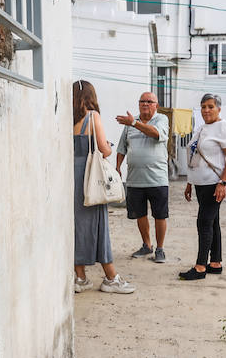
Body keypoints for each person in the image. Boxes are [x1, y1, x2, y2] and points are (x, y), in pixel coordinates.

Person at [72, 79, 135, 294]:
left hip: (70, 176)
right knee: (98, 227)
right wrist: (107, 146)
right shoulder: (92, 117)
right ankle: (110, 278)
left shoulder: (64, 117)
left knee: (76, 226)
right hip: (91, 177)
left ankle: (80, 277)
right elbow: (103, 149)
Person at [180, 93, 226, 281]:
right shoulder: (201, 128)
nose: (206, 110)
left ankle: (200, 266)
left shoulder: (223, 127)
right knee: (212, 222)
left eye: (210, 106)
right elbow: (194, 156)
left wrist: (223, 182)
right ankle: (215, 263)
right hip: (200, 183)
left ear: (219, 108)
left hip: (214, 183)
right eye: (203, 106)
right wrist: (189, 182)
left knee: (203, 222)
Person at [115, 93, 170, 264]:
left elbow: (155, 134)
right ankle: (147, 245)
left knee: (160, 215)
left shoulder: (161, 120)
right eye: (142, 101)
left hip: (157, 178)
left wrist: (133, 123)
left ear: (156, 105)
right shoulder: (131, 123)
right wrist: (117, 167)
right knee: (140, 215)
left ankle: (160, 249)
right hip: (134, 178)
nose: (145, 104)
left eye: (149, 101)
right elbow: (122, 147)